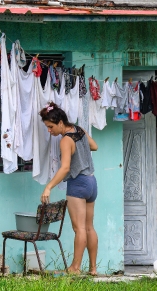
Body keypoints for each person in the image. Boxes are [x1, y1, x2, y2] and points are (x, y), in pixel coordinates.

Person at [39, 101, 98, 275]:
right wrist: (81, 153)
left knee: (78, 228)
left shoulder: (65, 140)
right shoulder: (79, 130)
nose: (49, 131)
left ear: (60, 122)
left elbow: (65, 168)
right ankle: (93, 269)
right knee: (89, 227)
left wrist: (48, 187)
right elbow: (94, 146)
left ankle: (75, 268)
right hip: (92, 182)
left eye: (50, 127)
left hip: (78, 184)